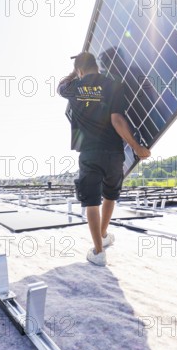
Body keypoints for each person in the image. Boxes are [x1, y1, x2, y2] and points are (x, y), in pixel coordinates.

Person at [57, 51, 151, 266]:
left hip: (90, 152)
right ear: (97, 66)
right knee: (110, 196)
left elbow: (60, 86)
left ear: (80, 70)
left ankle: (98, 251)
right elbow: (117, 119)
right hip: (114, 152)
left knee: (91, 202)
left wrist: (74, 72)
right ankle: (103, 234)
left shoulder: (73, 87)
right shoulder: (113, 84)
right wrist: (136, 147)